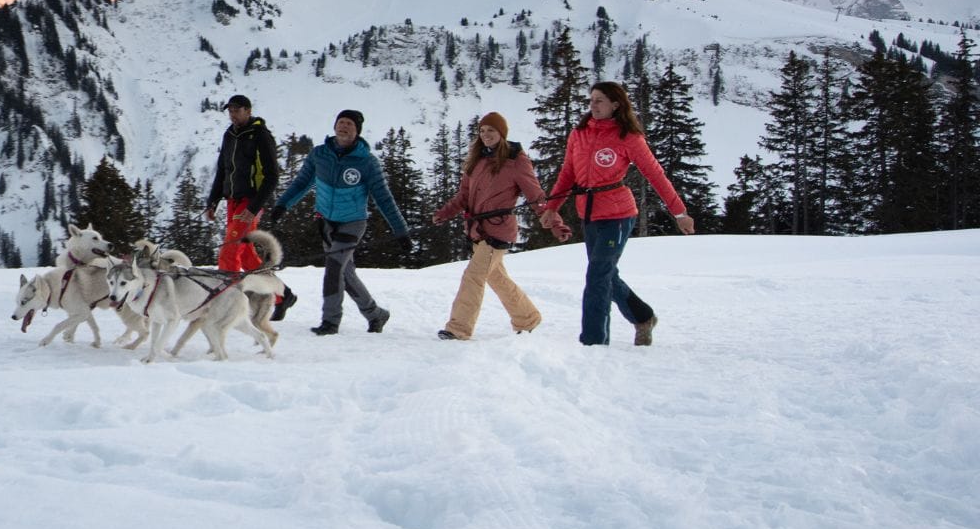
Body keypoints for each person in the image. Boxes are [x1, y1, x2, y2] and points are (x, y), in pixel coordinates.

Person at [543, 79, 694, 346]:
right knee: (606, 275)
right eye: (591, 100)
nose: (594, 105)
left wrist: (679, 212)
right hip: (589, 214)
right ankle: (643, 316)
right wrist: (551, 208)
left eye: (599, 100)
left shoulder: (629, 137)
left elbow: (655, 175)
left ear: (616, 104)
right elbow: (568, 174)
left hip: (618, 215)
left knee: (597, 276)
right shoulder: (579, 133)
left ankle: (594, 343)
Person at [265, 108, 408, 335]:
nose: (344, 127)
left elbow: (384, 198)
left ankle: (330, 321)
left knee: (333, 269)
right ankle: (376, 314)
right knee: (345, 273)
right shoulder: (319, 155)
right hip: (326, 223)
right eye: (341, 122)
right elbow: (302, 183)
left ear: (357, 131)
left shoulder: (367, 162)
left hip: (353, 223)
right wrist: (282, 205)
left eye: (349, 124)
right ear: (334, 127)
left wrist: (401, 231)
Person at [432, 112, 565, 340]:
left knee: (473, 276)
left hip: (498, 231)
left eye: (491, 131)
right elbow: (464, 195)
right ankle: (527, 318)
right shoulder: (477, 160)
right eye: (482, 131)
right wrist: (445, 212)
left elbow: (536, 195)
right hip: (477, 231)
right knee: (497, 278)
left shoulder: (516, 161)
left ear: (501, 133)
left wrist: (554, 222)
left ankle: (458, 329)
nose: (486, 135)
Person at [203, 94, 294, 316]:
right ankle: (283, 295)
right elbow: (223, 169)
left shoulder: (260, 136)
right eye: (230, 110)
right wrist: (213, 200)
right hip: (233, 200)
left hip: (250, 201)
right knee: (244, 256)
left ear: (248, 110)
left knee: (229, 249)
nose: (233, 114)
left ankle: (226, 302)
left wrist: (252, 208)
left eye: (237, 110)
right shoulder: (230, 134)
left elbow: (272, 176)